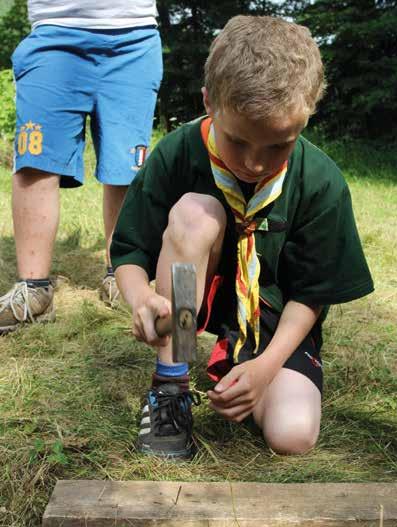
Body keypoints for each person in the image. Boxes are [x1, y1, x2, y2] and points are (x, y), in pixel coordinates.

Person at [111, 15, 374, 459]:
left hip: (274, 322)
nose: (254, 164)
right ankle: (171, 387)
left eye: (278, 146)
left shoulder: (321, 181)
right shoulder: (177, 153)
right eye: (238, 142)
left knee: (292, 435)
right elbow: (130, 250)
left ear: (306, 117)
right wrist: (140, 297)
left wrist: (265, 369)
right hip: (191, 305)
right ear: (208, 102)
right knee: (197, 212)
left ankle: (241, 366)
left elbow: (311, 295)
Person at [0, 1, 163, 332]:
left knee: (127, 169)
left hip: (134, 38)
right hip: (53, 34)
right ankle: (34, 292)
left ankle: (121, 275)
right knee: (35, 161)